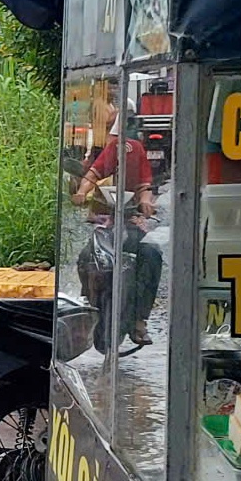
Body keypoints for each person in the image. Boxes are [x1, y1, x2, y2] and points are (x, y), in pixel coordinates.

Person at [71, 113, 161, 345]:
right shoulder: (112, 149)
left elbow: (145, 187)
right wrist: (81, 192)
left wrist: (146, 203)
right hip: (105, 219)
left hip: (131, 219)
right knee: (86, 257)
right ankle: (87, 303)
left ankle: (140, 319)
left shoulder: (135, 150)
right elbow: (92, 175)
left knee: (152, 255)